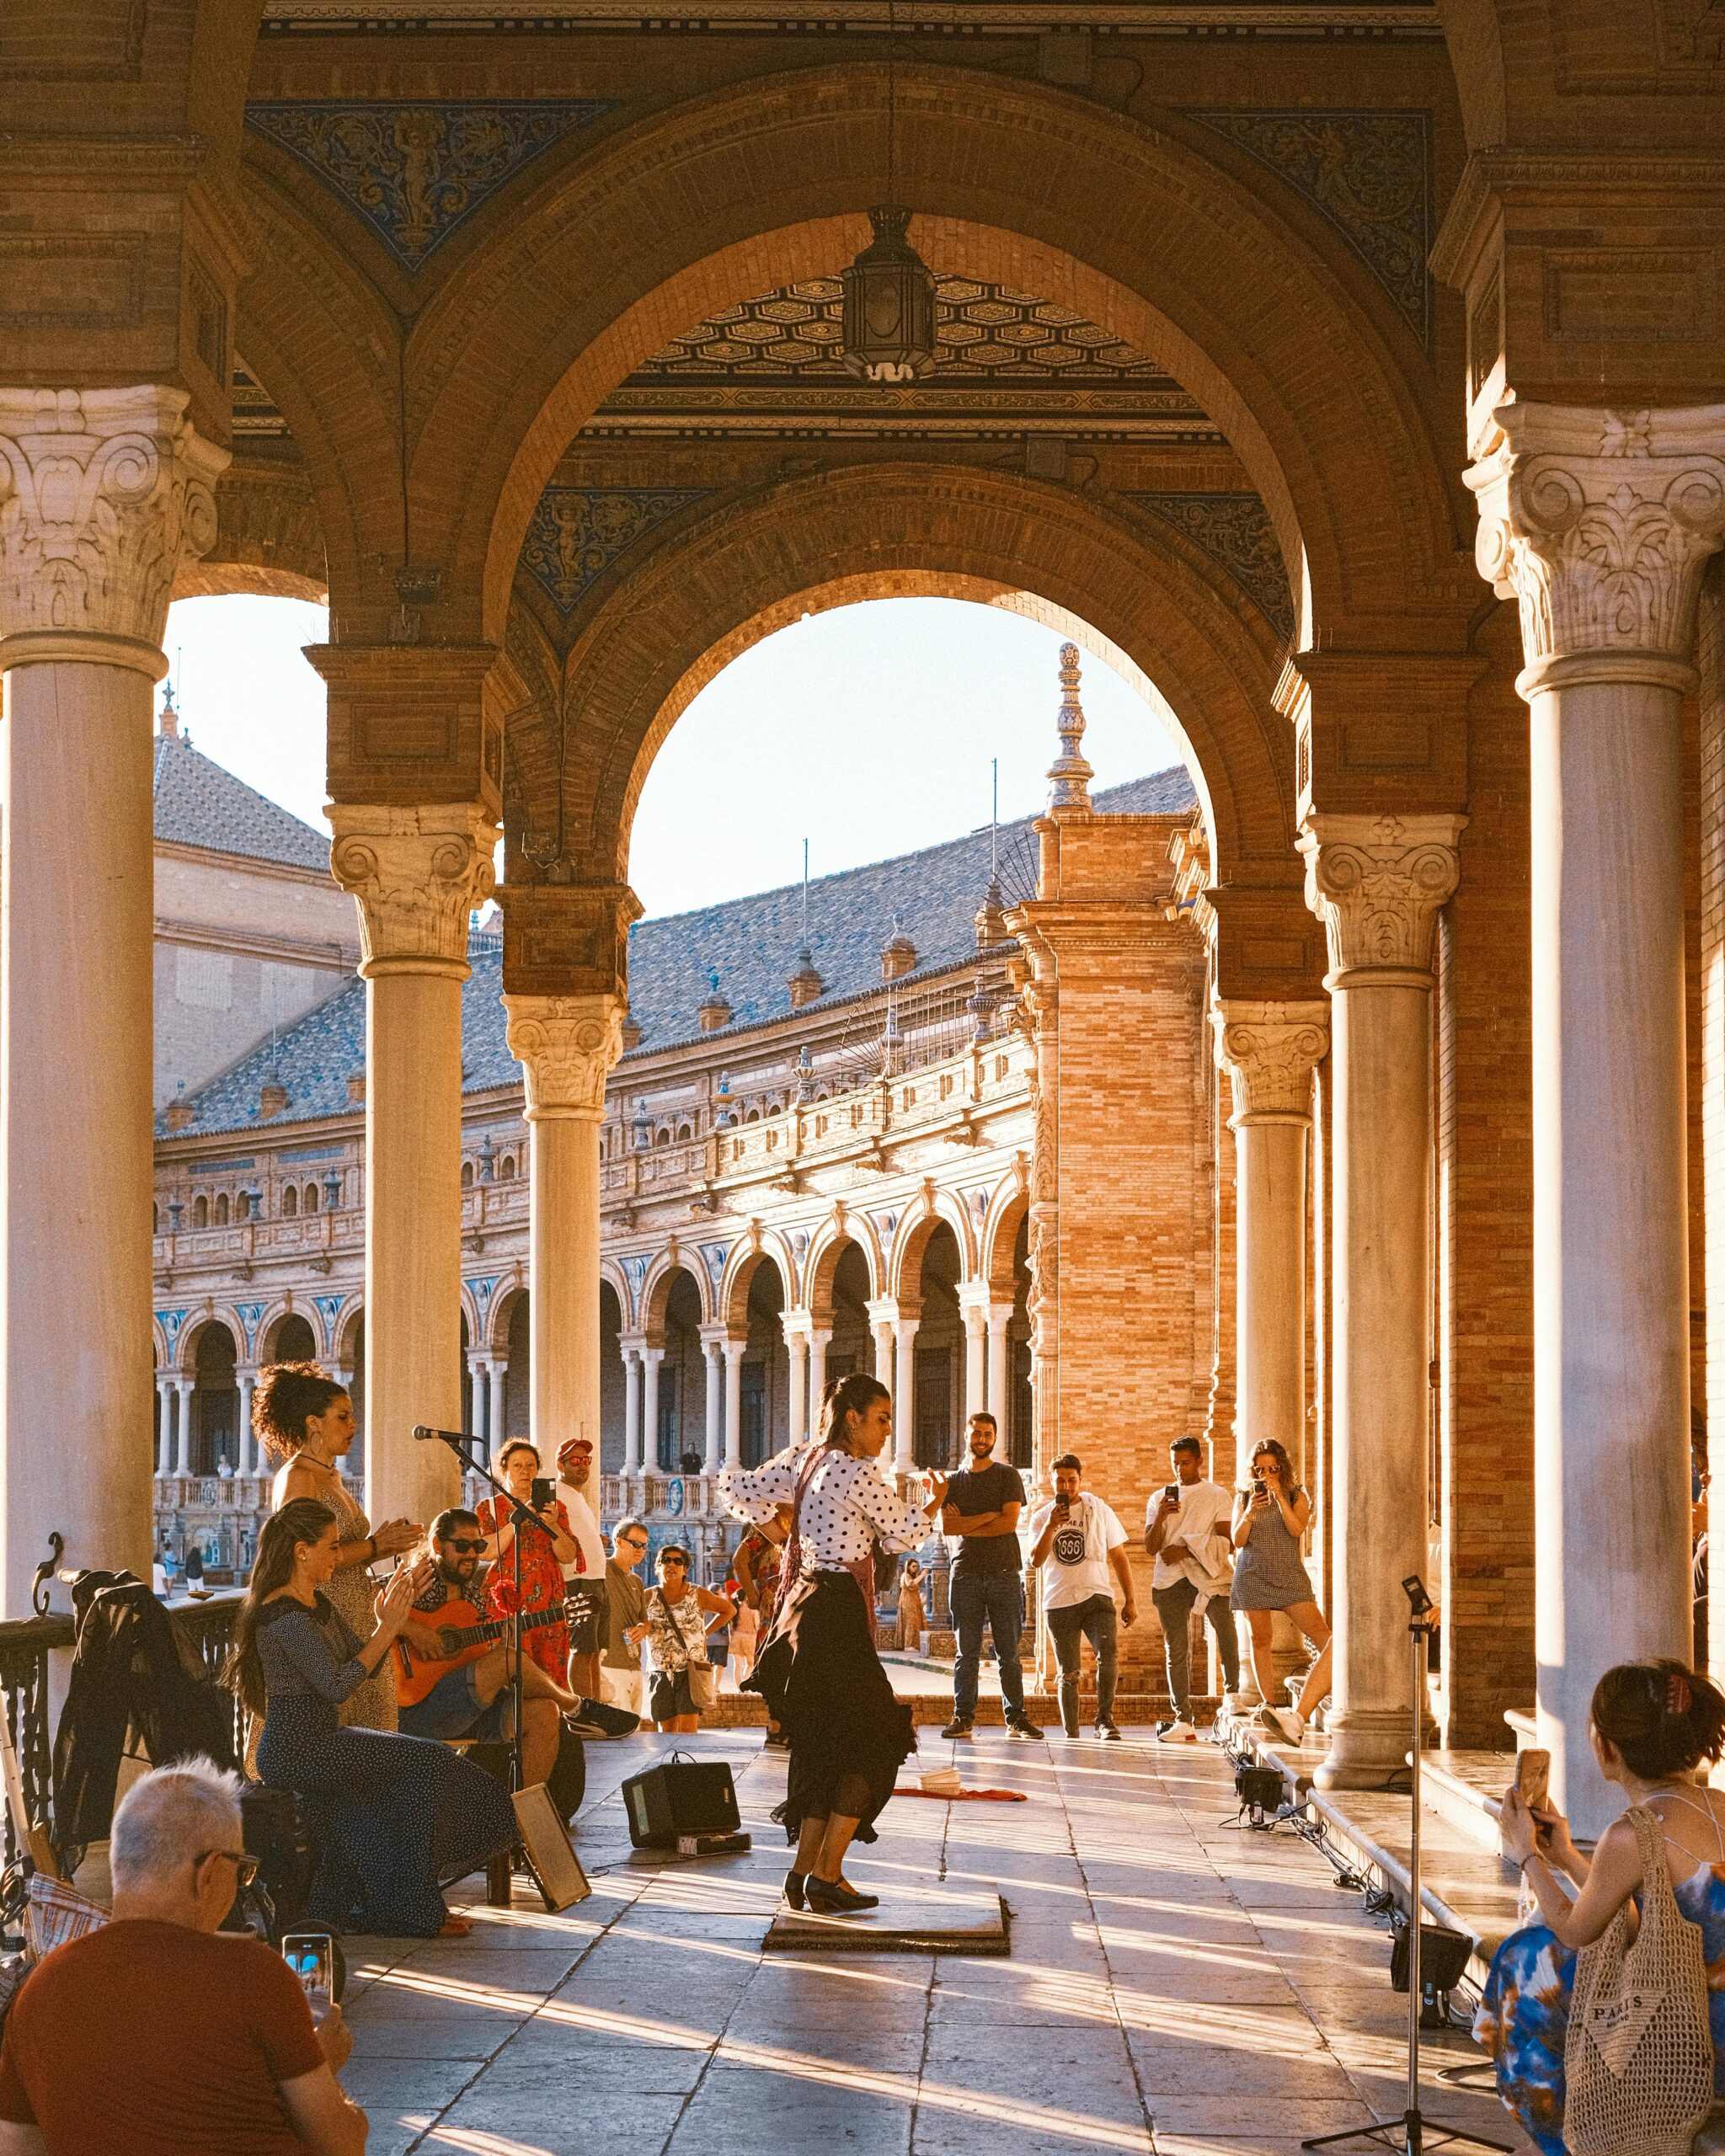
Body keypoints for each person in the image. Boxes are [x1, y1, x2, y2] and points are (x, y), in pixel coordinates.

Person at [0, 1758, 366, 2154]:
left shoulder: (39, 1989)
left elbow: (18, 2147)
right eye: (242, 1870)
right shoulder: (251, 1974)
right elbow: (342, 2146)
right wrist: (323, 2068)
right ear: (209, 1871)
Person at [228, 1497, 516, 1939]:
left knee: (402, 1781)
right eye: (330, 1547)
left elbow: (363, 1664)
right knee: (425, 1764)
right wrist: (387, 1629)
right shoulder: (280, 1615)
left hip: (323, 1738)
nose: (337, 1556)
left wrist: (389, 1621)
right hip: (296, 1748)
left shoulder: (314, 1603)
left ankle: (382, 1906)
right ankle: (414, 1910)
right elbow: (337, 1685)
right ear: (301, 1551)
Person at [720, 1373, 949, 1913]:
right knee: (878, 1742)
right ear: (853, 1418)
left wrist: (776, 1532)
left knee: (823, 1745)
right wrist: (935, 1502)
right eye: (882, 1418)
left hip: (803, 1608)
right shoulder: (857, 1471)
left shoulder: (803, 1458)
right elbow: (909, 1532)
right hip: (838, 1612)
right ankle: (826, 1874)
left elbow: (732, 1487)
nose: (888, 1431)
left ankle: (803, 1875)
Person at [1476, 1660, 1725, 2156]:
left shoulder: (1635, 1832)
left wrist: (1525, 1853)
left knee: (1526, 1960)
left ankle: (1570, 2137)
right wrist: (1566, 1855)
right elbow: (1642, 1919)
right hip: (1708, 2011)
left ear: (1607, 1747)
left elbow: (1575, 1931)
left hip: (1691, 2038)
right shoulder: (1717, 1803)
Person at [258, 1361, 420, 1732]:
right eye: (343, 1417)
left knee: (375, 1730)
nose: (353, 1426)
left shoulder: (331, 1475)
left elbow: (340, 1547)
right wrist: (375, 1544)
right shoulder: (298, 1477)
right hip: (324, 1615)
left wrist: (382, 1546)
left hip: (356, 1613)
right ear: (314, 1423)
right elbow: (302, 1555)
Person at [396, 1506, 586, 1784]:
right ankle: (577, 1707)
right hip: (418, 1707)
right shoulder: (418, 1580)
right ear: (437, 1544)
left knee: (544, 1712)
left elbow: (473, 1659)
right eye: (462, 1546)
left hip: (465, 1706)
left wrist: (502, 1646)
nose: (472, 1554)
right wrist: (415, 1631)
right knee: (508, 1659)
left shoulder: (474, 1595)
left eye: (478, 1545)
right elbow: (371, 1614)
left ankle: (521, 1816)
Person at [941, 1412, 1038, 1742]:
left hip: (1004, 1573)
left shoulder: (1007, 1476)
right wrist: (987, 1517)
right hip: (965, 1572)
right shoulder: (952, 1482)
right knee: (965, 1653)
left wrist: (969, 1522)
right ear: (966, 1436)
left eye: (987, 1434)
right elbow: (948, 1526)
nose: (981, 1439)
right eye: (976, 1433)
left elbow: (1009, 1524)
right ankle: (963, 1717)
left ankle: (1017, 1718)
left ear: (995, 1438)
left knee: (1008, 1653)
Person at [1230, 1439, 1332, 1744]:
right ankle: (1269, 1704)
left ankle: (1325, 1685)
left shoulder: (1297, 1494)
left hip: (1288, 1575)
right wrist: (1249, 1511)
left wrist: (1281, 1500)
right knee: (1261, 1640)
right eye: (1259, 1469)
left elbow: (1296, 1529)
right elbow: (1237, 1540)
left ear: (1282, 1467)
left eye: (1272, 1468)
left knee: (1324, 1637)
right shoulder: (1244, 1496)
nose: (1265, 1474)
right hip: (1253, 1574)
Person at [1029, 1453, 1136, 1740]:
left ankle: (1105, 1721)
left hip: (1096, 1596)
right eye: (1060, 1481)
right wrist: (1052, 1525)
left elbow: (1118, 1555)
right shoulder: (1041, 1517)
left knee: (1108, 1655)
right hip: (1060, 1601)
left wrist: (1130, 1598)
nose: (1066, 1486)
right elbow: (1035, 1560)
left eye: (1071, 1480)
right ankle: (1072, 1734)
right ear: (1053, 1483)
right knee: (1069, 1672)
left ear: (1080, 1479)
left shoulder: (1098, 1509)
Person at [1145, 1434, 1238, 1739]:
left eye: (1185, 1462)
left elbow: (1227, 1542)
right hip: (1170, 1579)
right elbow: (1150, 1547)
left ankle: (1233, 1695)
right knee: (1176, 1648)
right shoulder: (1158, 1498)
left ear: (1199, 1460)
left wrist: (1186, 1549)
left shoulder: (1217, 1495)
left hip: (1207, 1575)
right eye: (1175, 1464)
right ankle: (1183, 1719)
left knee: (1225, 1628)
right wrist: (1161, 1515)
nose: (1180, 1470)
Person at [476, 1440, 578, 1684]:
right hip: (505, 1595)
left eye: (531, 1465)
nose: (525, 1471)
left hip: (548, 1595)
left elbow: (568, 1555)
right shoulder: (489, 1507)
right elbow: (487, 1552)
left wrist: (552, 1525)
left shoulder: (555, 1508)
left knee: (550, 1667)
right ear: (504, 1471)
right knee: (508, 1663)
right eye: (518, 1465)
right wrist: (517, 1521)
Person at [627, 1544, 734, 1733]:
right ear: (657, 1567)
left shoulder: (696, 1593)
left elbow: (729, 1610)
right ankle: (668, 1763)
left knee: (687, 1731)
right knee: (665, 1732)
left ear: (685, 1569)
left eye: (678, 1561)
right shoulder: (648, 1596)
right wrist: (641, 1630)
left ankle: (685, 1763)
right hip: (660, 1671)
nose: (672, 1565)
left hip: (689, 1670)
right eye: (666, 1561)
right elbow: (631, 1625)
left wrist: (705, 1633)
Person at [553, 1437, 607, 1700]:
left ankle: (597, 1708)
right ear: (560, 1465)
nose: (582, 1466)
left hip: (596, 1578)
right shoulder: (555, 1492)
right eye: (575, 1461)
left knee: (595, 1650)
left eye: (586, 1461)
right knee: (582, 1648)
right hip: (577, 1580)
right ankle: (584, 1711)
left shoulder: (576, 1495)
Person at [600, 1516, 649, 1719]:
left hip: (634, 1667)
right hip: (610, 1667)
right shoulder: (602, 1570)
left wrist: (643, 1628)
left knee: (634, 1732)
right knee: (621, 1729)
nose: (640, 1550)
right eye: (635, 1544)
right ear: (619, 1542)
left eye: (645, 1546)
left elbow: (644, 1620)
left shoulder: (637, 1581)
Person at [895, 1556, 927, 1655]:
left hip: (912, 1601)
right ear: (908, 1567)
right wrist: (922, 1575)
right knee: (911, 1622)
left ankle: (913, 1644)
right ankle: (908, 1645)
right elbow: (911, 1584)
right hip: (908, 1602)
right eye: (913, 1566)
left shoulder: (910, 1575)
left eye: (917, 1567)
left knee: (914, 1622)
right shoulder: (906, 1575)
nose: (915, 1568)